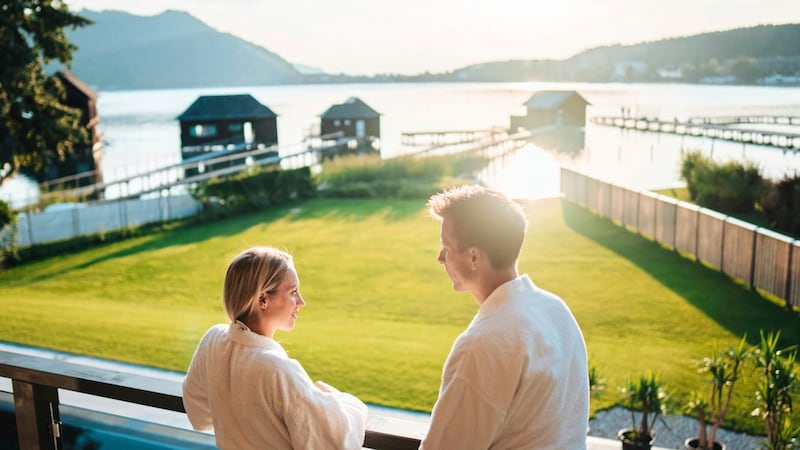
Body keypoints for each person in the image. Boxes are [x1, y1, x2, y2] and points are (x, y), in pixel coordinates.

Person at [420, 185, 589, 450]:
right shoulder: (557, 311)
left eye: (447, 247)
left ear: (474, 257)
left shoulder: (483, 344)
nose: (440, 257)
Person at [182, 246, 367, 450]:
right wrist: (342, 401)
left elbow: (199, 416)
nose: (301, 302)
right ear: (263, 299)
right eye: (293, 292)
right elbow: (332, 442)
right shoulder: (277, 368)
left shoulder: (213, 340)